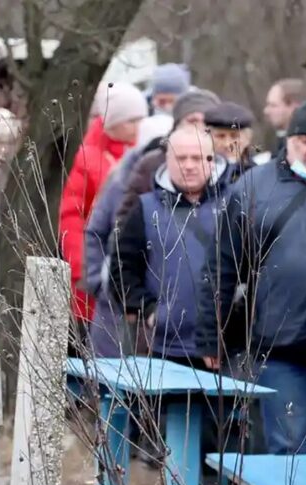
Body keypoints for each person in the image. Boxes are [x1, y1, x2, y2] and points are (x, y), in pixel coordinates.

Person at [194, 97, 306, 471]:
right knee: (290, 457)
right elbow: (222, 267)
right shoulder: (252, 188)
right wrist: (212, 335)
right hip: (280, 348)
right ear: (289, 141)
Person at [110, 127, 229, 361]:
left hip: (226, 347)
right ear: (167, 160)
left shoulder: (235, 202)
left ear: (212, 160)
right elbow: (122, 269)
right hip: (165, 346)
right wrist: (151, 310)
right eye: (181, 158)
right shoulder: (145, 208)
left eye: (197, 158)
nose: (189, 165)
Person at [59, 82, 148, 336]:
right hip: (92, 269)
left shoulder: (138, 157)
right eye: (132, 120)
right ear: (114, 121)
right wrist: (82, 267)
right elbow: (72, 216)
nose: (138, 127)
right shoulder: (86, 157)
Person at [84, 114, 174, 357]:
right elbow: (95, 230)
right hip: (116, 298)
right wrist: (97, 280)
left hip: (153, 308)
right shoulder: (123, 178)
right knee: (109, 368)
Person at [113, 89, 220, 228]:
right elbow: (124, 220)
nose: (200, 127)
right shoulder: (152, 163)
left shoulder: (231, 164)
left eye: (206, 122)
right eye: (192, 120)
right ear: (177, 125)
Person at [203, 101, 258, 182]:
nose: (227, 144)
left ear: (247, 139)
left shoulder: (257, 176)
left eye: (234, 136)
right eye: (220, 136)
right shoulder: (199, 174)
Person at [263, 78, 305, 154]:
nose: (266, 111)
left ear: (293, 107)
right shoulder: (274, 144)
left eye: (273, 105)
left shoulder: (305, 149)